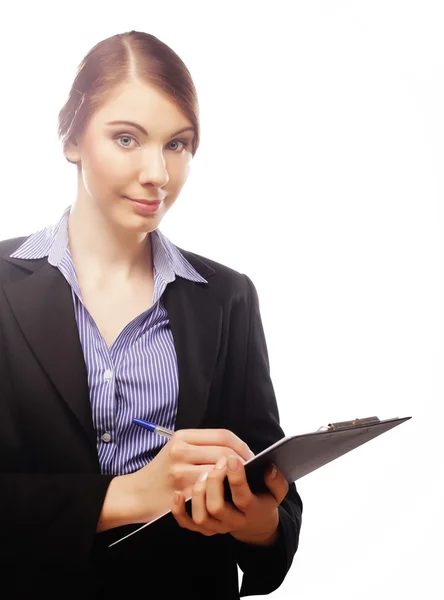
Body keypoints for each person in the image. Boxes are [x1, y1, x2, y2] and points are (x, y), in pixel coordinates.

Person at [0, 30, 302, 599]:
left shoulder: (227, 297)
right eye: (127, 138)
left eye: (177, 145)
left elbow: (276, 522)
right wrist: (132, 494)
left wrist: (254, 521)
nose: (158, 174)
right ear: (72, 139)